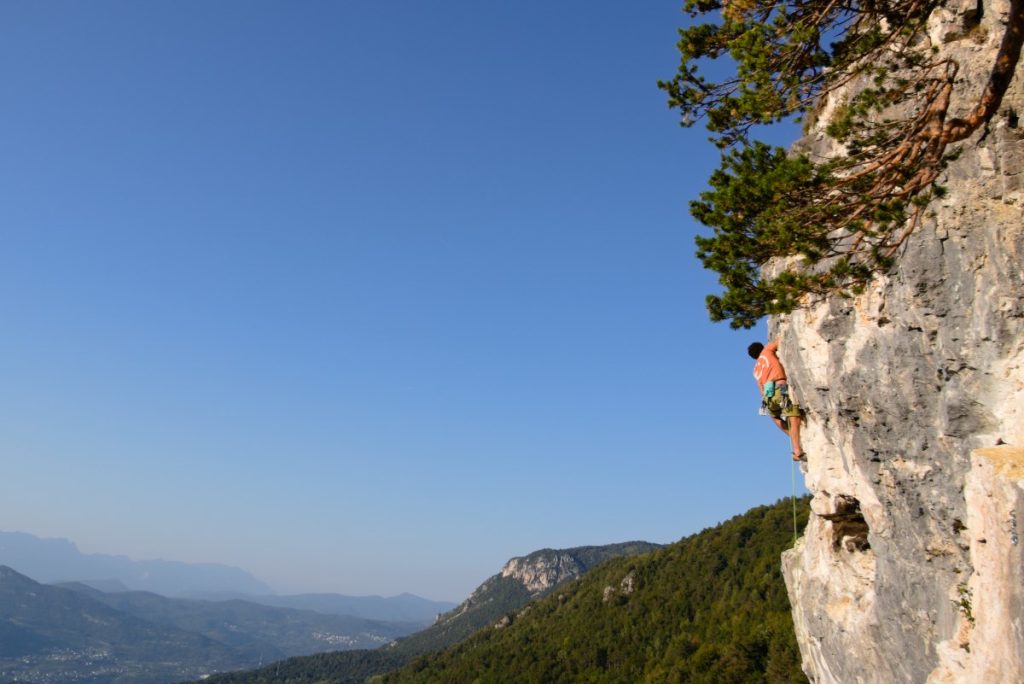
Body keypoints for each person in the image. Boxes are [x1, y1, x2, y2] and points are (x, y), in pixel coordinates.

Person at [748, 340, 805, 461]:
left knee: (775, 417)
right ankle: (797, 450)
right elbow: (781, 340)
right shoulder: (766, 351)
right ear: (761, 348)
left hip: (768, 397)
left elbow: (761, 389)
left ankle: (792, 436)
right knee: (793, 415)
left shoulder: (756, 370)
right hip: (780, 388)